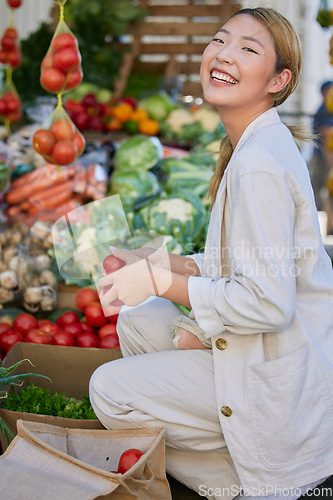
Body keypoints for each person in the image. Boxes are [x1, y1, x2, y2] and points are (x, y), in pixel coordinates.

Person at [89, 7, 333, 500]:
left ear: (278, 79)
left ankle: (250, 486)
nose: (223, 55)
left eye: (248, 48)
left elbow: (267, 302)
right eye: (220, 40)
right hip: (267, 355)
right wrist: (161, 262)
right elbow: (239, 263)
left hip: (282, 383)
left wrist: (160, 282)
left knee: (108, 389)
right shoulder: (251, 144)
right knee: (137, 319)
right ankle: (237, 455)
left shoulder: (259, 163)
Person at [308, 80, 333, 210]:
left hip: (329, 154)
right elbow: (325, 133)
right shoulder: (321, 111)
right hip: (321, 155)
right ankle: (315, 210)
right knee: (317, 185)